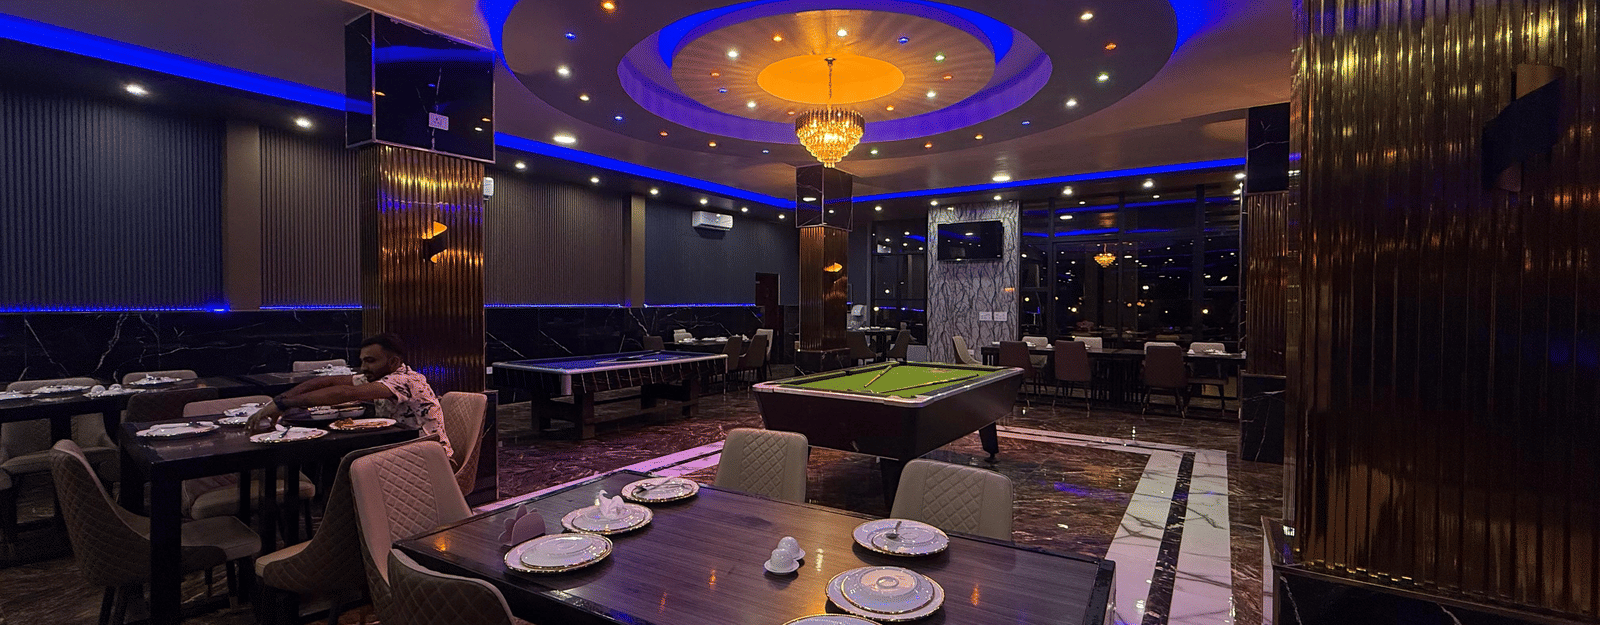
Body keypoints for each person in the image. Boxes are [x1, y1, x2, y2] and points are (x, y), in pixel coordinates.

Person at [247, 333, 452, 459]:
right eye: (362, 361)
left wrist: (283, 404)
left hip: (431, 458)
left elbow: (346, 393)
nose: (363, 367)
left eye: (370, 361)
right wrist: (278, 401)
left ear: (393, 362)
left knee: (349, 464)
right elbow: (327, 382)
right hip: (401, 449)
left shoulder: (404, 380)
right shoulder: (379, 376)